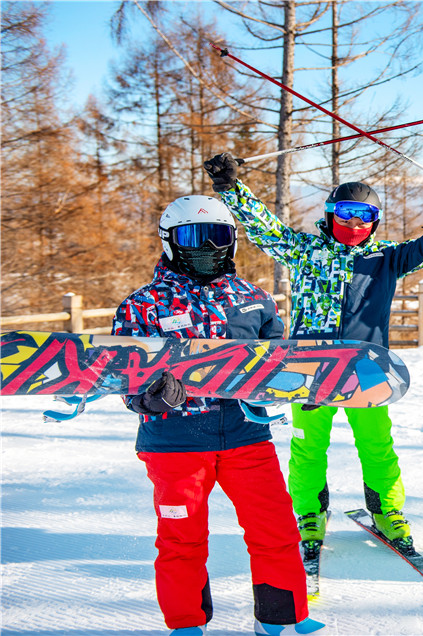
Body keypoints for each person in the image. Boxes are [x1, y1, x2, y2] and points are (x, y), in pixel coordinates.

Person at [203, 153, 423, 553]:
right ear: (330, 214)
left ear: (375, 221)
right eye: (346, 214)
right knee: (307, 446)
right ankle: (309, 511)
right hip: (307, 369)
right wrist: (231, 188)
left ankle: (388, 511)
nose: (355, 224)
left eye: (364, 216)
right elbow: (265, 229)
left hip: (366, 370)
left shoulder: (386, 259)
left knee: (376, 444)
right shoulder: (303, 250)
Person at [113, 196, 322, 636]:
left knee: (276, 531)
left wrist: (300, 386)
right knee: (181, 540)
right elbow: (124, 380)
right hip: (176, 444)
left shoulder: (254, 301)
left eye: (219, 235)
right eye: (194, 236)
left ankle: (283, 619)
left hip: (247, 436)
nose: (208, 245)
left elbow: (278, 365)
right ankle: (186, 624)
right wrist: (149, 397)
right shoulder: (142, 307)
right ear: (170, 241)